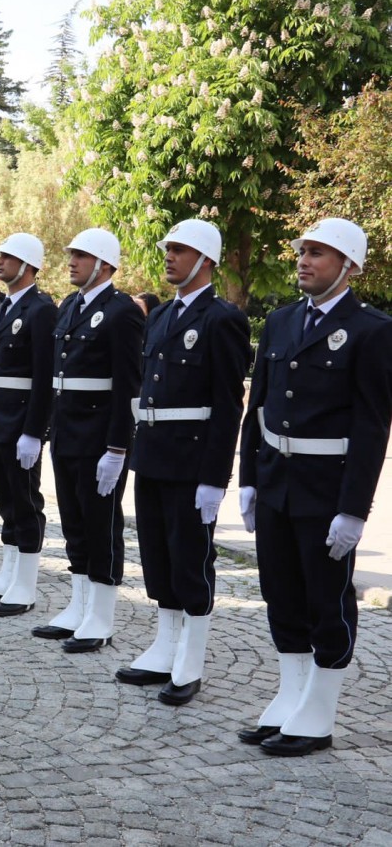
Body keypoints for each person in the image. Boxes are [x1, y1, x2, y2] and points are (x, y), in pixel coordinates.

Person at [237, 218, 392, 756]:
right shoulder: (279, 322)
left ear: (349, 266)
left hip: (326, 490)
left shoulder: (372, 330)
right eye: (302, 251)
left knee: (326, 600)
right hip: (276, 482)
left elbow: (372, 427)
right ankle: (290, 697)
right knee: (280, 594)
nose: (304, 260)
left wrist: (354, 510)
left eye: (319, 254)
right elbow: (256, 409)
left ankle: (319, 713)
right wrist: (249, 479)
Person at [115, 219, 252, 706]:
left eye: (180, 249)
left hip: (192, 459)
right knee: (156, 555)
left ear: (206, 259)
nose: (169, 256)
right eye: (168, 248)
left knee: (191, 559)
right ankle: (164, 644)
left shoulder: (222, 319)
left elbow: (227, 404)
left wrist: (215, 479)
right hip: (152, 451)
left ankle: (189, 658)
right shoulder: (160, 316)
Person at [32, 228, 145, 653]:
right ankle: (78, 606)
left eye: (81, 255)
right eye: (71, 255)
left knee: (102, 525)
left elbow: (127, 385)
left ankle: (100, 615)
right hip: (66, 431)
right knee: (74, 524)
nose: (71, 261)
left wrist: (118, 448)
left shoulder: (121, 312)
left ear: (104, 264)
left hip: (99, 437)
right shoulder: (69, 309)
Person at [0, 234, 58, 615]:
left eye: (7, 257)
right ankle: (7, 573)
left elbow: (45, 377)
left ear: (27, 265)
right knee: (4, 498)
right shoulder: (4, 305)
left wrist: (34, 431)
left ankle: (25, 583)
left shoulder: (41, 309)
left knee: (24, 501)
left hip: (20, 419)